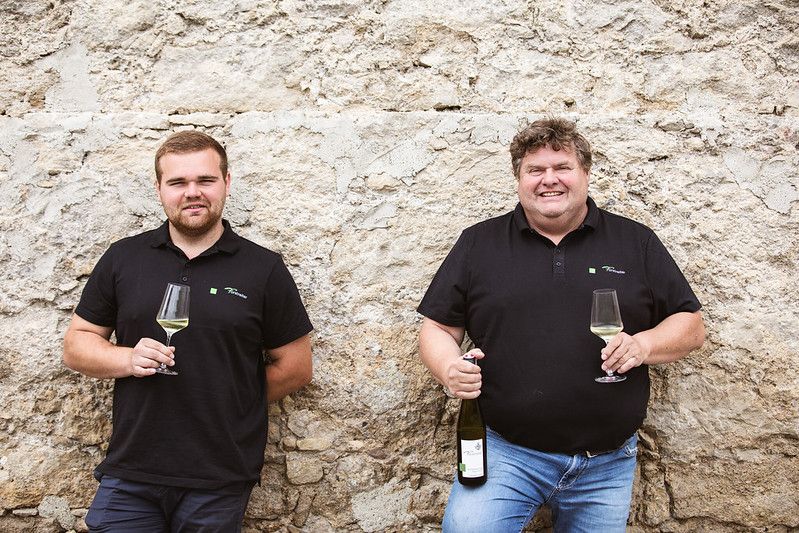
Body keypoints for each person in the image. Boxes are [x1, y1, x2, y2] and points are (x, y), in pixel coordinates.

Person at [417, 117, 705, 532]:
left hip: (607, 464)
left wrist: (642, 346)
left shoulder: (635, 241)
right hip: (506, 455)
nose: (549, 180)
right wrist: (448, 368)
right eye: (535, 170)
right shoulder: (479, 244)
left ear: (585, 173)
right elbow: (439, 329)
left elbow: (691, 325)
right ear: (518, 178)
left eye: (562, 168)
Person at [63, 130, 313, 532]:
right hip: (131, 471)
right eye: (178, 182)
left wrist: (227, 398)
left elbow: (297, 367)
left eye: (205, 180)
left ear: (226, 183)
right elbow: (77, 344)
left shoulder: (263, 268)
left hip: (218, 476)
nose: (192, 192)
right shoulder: (124, 257)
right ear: (160, 188)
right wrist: (127, 358)